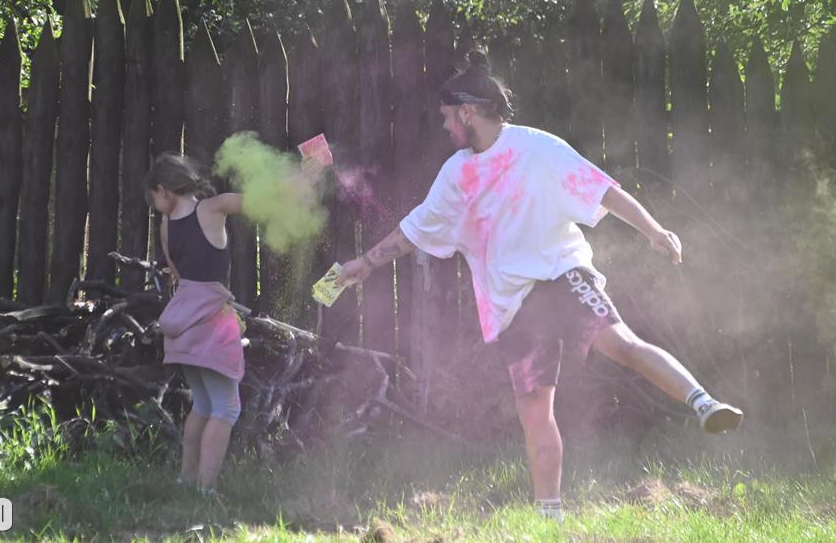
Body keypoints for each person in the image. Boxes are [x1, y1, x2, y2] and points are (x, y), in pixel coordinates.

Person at [336, 50, 743, 521]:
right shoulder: (456, 174)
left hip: (564, 275)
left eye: (448, 118)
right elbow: (416, 227)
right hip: (514, 305)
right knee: (534, 409)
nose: (446, 128)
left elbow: (602, 189)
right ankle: (550, 518)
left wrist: (653, 229)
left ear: (468, 111)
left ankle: (704, 404)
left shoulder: (538, 147)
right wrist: (365, 263)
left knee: (621, 343)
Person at [145, 153, 244, 492]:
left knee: (202, 404)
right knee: (227, 407)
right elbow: (262, 202)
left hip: (182, 325)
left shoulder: (166, 227)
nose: (156, 205)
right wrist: (303, 180)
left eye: (154, 198)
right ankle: (205, 489)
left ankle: (187, 479)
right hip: (214, 322)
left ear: (163, 189)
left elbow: (178, 276)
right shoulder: (214, 208)